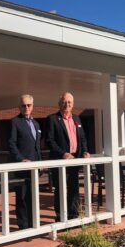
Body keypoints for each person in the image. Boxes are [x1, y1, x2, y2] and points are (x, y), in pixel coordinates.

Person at [46, 92, 90, 221]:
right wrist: (63, 153)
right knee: (60, 188)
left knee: (73, 187)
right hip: (60, 160)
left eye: (69, 102)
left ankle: (73, 214)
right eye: (64, 102)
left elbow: (82, 138)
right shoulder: (52, 119)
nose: (67, 104)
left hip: (74, 160)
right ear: (59, 104)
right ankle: (60, 216)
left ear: (73, 104)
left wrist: (85, 151)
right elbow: (50, 141)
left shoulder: (77, 118)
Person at [8, 94, 42, 229]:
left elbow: (37, 146)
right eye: (23, 105)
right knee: (22, 197)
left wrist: (40, 163)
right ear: (19, 107)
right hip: (22, 167)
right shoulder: (15, 122)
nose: (26, 107)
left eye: (29, 105)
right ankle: (23, 226)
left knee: (32, 196)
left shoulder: (36, 123)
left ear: (32, 106)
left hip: (35, 167)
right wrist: (21, 159)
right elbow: (11, 143)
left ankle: (33, 224)